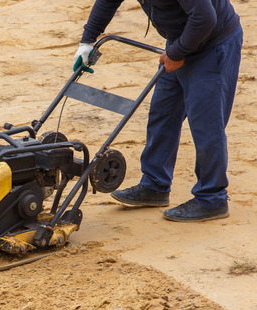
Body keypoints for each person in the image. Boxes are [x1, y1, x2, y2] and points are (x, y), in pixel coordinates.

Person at [74, 0, 243, 222]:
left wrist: (177, 52)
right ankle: (155, 185)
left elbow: (205, 18)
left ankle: (212, 199)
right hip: (181, 40)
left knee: (206, 124)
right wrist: (87, 40)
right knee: (162, 114)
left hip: (212, 43)